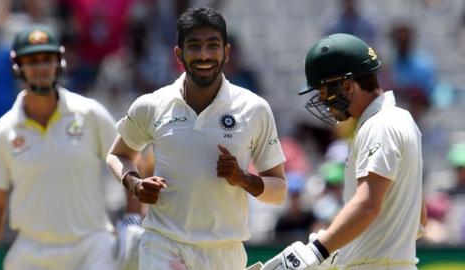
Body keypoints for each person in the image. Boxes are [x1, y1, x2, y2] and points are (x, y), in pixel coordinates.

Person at [106, 7, 287, 270]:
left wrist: (244, 179)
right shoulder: (152, 105)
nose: (203, 55)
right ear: (179, 54)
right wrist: (134, 183)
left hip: (224, 252)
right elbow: (118, 154)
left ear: (226, 52)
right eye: (194, 46)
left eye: (212, 46)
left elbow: (278, 191)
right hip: (163, 245)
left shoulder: (254, 108)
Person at [263, 33, 427, 270]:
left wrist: (317, 251)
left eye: (324, 90)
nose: (321, 99)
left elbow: (367, 205)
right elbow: (418, 222)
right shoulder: (399, 120)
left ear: (348, 84)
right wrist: (341, 247)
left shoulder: (380, 125)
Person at [0, 24, 120, 270]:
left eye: (47, 59)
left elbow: (129, 158)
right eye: (32, 61)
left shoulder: (90, 113)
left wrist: (132, 221)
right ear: (17, 67)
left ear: (60, 61)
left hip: (91, 247)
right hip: (31, 252)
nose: (41, 68)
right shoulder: (2, 133)